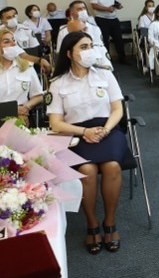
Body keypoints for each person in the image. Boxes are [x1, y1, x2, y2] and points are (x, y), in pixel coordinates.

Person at [47, 31, 134, 254]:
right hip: (76, 133)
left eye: (90, 46)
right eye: (83, 47)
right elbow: (56, 123)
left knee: (112, 166)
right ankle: (92, 223)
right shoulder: (58, 83)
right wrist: (84, 131)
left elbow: (117, 109)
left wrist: (105, 129)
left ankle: (110, 222)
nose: (89, 51)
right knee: (87, 169)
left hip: (108, 129)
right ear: (69, 53)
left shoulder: (105, 75)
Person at [0, 6, 51, 72]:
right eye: (9, 17)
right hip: (6, 66)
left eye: (14, 16)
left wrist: (39, 60)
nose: (13, 18)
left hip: (27, 64)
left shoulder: (27, 30)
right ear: (2, 21)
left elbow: (35, 51)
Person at [90, 0, 125, 64]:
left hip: (113, 19)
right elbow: (94, 5)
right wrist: (106, 9)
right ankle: (106, 60)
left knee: (119, 39)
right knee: (104, 40)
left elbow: (117, 2)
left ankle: (122, 59)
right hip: (101, 19)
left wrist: (119, 6)